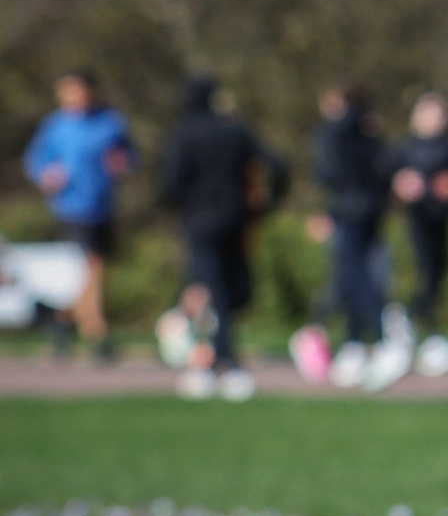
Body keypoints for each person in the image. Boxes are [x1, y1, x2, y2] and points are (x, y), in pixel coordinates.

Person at [157, 77, 287, 400]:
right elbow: (277, 166)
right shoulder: (234, 131)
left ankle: (218, 358)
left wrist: (186, 206)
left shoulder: (184, 134)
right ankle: (215, 357)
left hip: (201, 222)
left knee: (214, 290)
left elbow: (171, 184)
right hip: (234, 220)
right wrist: (263, 208)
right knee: (226, 291)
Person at [293, 88, 411, 392]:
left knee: (351, 276)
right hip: (371, 212)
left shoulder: (336, 132)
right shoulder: (370, 131)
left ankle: (381, 336)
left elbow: (329, 173)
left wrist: (329, 212)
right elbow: (383, 169)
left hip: (349, 212)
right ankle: (355, 342)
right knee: (358, 276)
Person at [22, 70, 135, 359]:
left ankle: (60, 320)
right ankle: (96, 332)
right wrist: (46, 174)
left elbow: (128, 156)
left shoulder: (109, 123)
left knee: (90, 270)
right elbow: (36, 160)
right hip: (70, 207)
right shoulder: (55, 126)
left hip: (102, 205)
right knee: (92, 266)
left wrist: (122, 163)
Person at [387, 91, 448, 376]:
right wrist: (401, 185)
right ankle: (415, 323)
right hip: (416, 219)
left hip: (442, 219)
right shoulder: (405, 148)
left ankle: (415, 322)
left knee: (438, 273)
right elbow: (388, 178)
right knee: (423, 272)